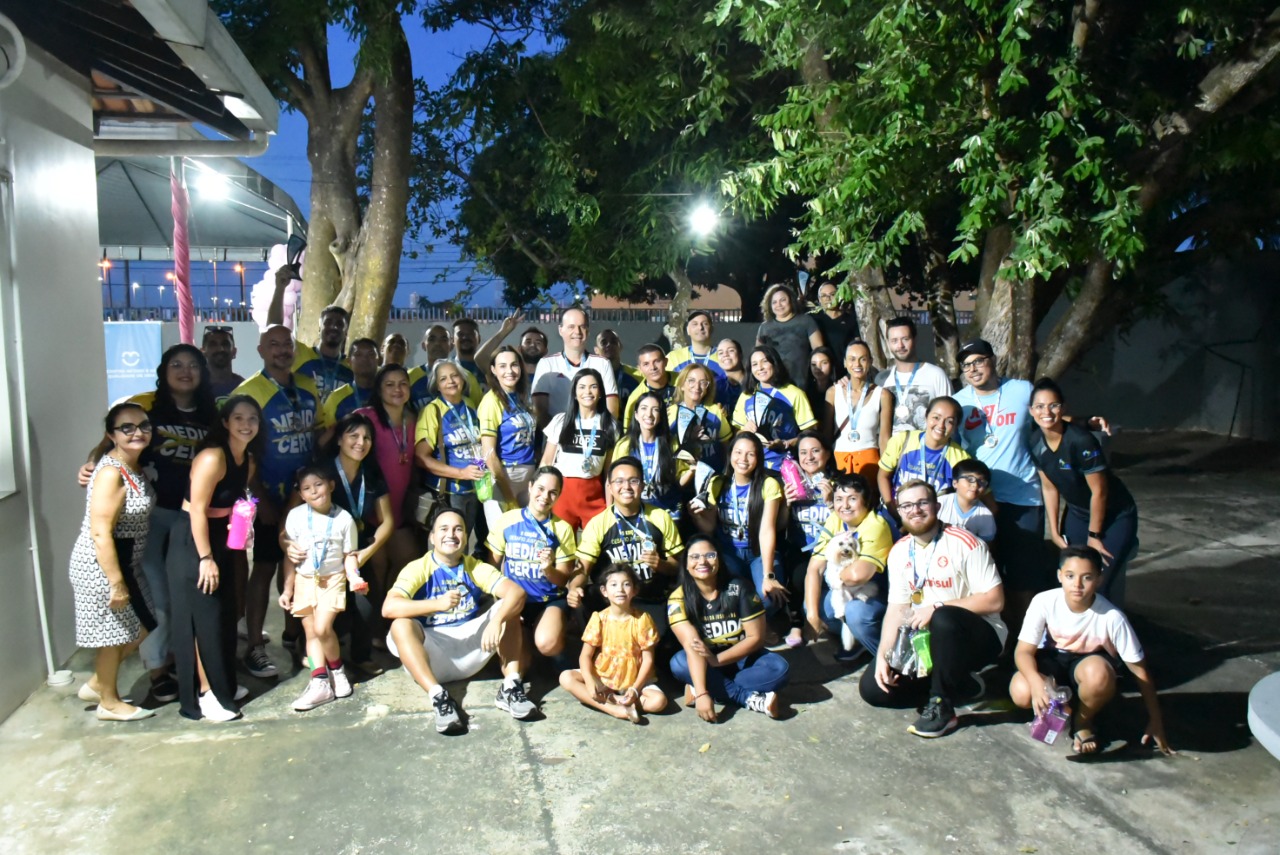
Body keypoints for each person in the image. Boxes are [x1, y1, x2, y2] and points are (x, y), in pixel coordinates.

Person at [114, 344, 220, 703]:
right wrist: (90, 465)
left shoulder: (211, 414)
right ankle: (158, 669)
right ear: (164, 370)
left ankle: (182, 660)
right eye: (177, 364)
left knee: (185, 595)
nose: (185, 371)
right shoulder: (144, 406)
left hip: (192, 518)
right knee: (157, 593)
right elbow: (110, 444)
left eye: (193, 365)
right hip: (151, 517)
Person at [860, 481, 1006, 739]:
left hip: (976, 635)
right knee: (873, 689)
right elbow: (897, 608)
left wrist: (937, 606)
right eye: (906, 505)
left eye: (922, 503)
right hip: (925, 641)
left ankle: (942, 706)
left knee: (943, 618)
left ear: (936, 506)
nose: (915, 510)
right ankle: (958, 683)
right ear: (899, 511)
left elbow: (995, 600)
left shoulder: (966, 543)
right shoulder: (900, 551)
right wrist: (884, 655)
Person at [231, 325, 330, 679]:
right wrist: (259, 496)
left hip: (305, 497)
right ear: (260, 350)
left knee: (301, 567)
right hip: (269, 497)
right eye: (273, 345)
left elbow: (317, 432)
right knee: (266, 567)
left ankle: (294, 634)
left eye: (286, 344)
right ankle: (255, 645)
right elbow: (242, 452)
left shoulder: (305, 386)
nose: (282, 351)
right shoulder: (250, 392)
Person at [382, 508, 535, 735]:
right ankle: (438, 697)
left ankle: (511, 687)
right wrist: (437, 604)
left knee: (510, 608)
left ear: (465, 536)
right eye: (443, 529)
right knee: (400, 625)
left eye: (458, 529)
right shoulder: (418, 568)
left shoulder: (474, 566)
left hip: (470, 646)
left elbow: (516, 593)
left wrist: (498, 620)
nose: (451, 534)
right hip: (432, 654)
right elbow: (389, 607)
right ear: (432, 537)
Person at [1010, 546, 1173, 756]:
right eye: (1070, 576)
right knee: (1021, 691)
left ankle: (1083, 721)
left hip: (1088, 662)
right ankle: (1062, 706)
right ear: (1060, 576)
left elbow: (1140, 671)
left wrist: (1156, 720)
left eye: (1086, 577)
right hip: (1053, 659)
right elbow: (1022, 651)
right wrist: (1035, 683)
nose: (1077, 585)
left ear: (1099, 580)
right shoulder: (1043, 601)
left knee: (1098, 675)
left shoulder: (1113, 617)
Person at [168, 395, 264, 721]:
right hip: (193, 540)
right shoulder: (213, 457)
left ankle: (223, 683)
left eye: (252, 418)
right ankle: (207, 693)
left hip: (220, 538)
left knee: (223, 615)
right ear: (225, 422)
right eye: (238, 417)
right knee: (203, 619)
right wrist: (205, 558)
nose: (246, 424)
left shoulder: (246, 458)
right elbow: (196, 510)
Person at [70, 403, 157, 721]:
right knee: (114, 635)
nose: (138, 432)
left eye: (144, 425)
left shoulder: (132, 465)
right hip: (102, 565)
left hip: (128, 560)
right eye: (127, 428)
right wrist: (115, 582)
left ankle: (97, 683)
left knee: (144, 625)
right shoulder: (110, 473)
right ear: (112, 434)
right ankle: (109, 702)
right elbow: (100, 532)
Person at [953, 338, 1050, 618]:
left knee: (1025, 574)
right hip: (980, 498)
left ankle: (1029, 639)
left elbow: (1047, 418)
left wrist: (1086, 422)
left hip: (1024, 497)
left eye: (979, 361)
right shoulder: (960, 403)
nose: (973, 369)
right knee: (987, 573)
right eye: (966, 365)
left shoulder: (1021, 390)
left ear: (993, 360)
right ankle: (1000, 638)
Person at [295, 413, 394, 673]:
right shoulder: (323, 470)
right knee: (321, 611)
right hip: (322, 552)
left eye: (366, 437)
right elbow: (295, 511)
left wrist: (365, 553)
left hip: (359, 548)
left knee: (366, 606)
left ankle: (360, 656)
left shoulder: (371, 473)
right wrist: (287, 544)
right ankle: (313, 651)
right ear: (339, 439)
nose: (361, 442)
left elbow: (388, 522)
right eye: (353, 436)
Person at [1030, 378, 1138, 607]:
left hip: (1114, 515)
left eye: (1053, 405)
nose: (1046, 412)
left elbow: (1099, 492)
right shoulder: (1035, 441)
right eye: (1039, 406)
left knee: (1097, 581)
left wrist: (1094, 536)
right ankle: (1070, 639)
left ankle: (1102, 639)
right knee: (1070, 580)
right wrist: (1055, 529)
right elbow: (1049, 487)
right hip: (1078, 515)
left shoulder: (1081, 441)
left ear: (1063, 408)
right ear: (1031, 411)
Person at [668, 536, 787, 721]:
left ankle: (711, 687)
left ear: (719, 559)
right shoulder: (677, 598)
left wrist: (717, 661)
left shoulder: (740, 588)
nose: (702, 561)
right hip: (703, 660)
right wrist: (702, 694)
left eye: (709, 555)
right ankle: (745, 697)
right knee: (679, 663)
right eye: (694, 557)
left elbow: (755, 637)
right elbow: (692, 646)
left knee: (779, 668)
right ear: (685, 564)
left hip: (740, 659)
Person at [279, 464, 366, 711]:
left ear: (331, 485)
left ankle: (337, 670)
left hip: (333, 579)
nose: (314, 491)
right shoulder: (295, 516)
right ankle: (320, 681)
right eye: (307, 488)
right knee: (310, 632)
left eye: (318, 484)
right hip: (304, 580)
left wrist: (353, 577)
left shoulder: (344, 519)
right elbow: (291, 557)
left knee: (322, 627)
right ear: (301, 494)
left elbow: (350, 554)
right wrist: (287, 589)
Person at [575, 457, 684, 634]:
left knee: (656, 640)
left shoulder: (660, 517)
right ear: (609, 487)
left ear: (642, 485)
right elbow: (582, 570)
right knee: (583, 599)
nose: (626, 487)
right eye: (619, 481)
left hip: (650, 597)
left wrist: (661, 564)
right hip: (612, 599)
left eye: (633, 481)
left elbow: (679, 567)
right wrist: (574, 588)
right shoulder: (598, 523)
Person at [487, 467, 580, 671]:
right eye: (540, 488)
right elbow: (491, 569)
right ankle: (526, 636)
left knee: (547, 643)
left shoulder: (562, 529)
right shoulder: (507, 520)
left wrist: (548, 569)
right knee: (515, 670)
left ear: (558, 496)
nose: (545, 496)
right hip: (516, 600)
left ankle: (559, 649)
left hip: (548, 600)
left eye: (553, 492)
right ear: (530, 487)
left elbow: (563, 579)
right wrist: (500, 603)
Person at [690, 432, 786, 618]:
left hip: (758, 553)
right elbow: (709, 528)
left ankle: (756, 629)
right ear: (730, 454)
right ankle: (751, 631)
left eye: (750, 454)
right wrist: (695, 516)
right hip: (728, 553)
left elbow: (767, 530)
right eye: (738, 452)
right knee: (726, 598)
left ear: (758, 458)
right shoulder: (717, 483)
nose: (743, 459)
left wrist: (768, 576)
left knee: (769, 596)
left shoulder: (769, 484)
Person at [559, 564, 667, 722]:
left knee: (658, 701)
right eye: (614, 584)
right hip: (604, 678)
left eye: (626, 584)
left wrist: (636, 689)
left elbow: (648, 659)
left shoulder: (642, 619)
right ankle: (614, 709)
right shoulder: (599, 618)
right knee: (566, 677)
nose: (620, 590)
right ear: (604, 591)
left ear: (635, 590)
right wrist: (590, 682)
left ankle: (623, 701)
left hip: (634, 680)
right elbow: (584, 657)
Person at [802, 473, 893, 661]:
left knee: (855, 612)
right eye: (839, 499)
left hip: (883, 595)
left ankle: (888, 657)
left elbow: (857, 576)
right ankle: (858, 640)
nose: (845, 506)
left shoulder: (876, 524)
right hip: (850, 588)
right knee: (812, 604)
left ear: (866, 501)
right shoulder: (836, 519)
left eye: (852, 499)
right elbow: (814, 569)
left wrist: (833, 574)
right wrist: (811, 617)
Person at [354, 364, 420, 605]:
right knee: (376, 570)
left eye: (403, 383)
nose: (397, 389)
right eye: (389, 384)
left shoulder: (413, 419)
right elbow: (335, 440)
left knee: (408, 559)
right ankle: (373, 630)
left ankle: (387, 613)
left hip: (400, 508)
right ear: (379, 389)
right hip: (372, 509)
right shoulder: (365, 416)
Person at [415, 360, 488, 552]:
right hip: (448, 493)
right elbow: (421, 457)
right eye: (443, 378)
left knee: (464, 545)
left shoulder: (471, 405)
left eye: (455, 376)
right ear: (437, 385)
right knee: (449, 547)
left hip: (475, 489)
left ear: (463, 379)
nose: (451, 381)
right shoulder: (433, 410)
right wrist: (461, 473)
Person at [541, 368, 619, 529]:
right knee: (563, 551)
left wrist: (611, 507)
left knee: (594, 551)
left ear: (600, 392)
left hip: (594, 497)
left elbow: (609, 472)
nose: (588, 392)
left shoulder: (610, 426)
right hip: (562, 496)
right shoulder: (560, 421)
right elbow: (546, 462)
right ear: (574, 393)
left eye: (593, 386)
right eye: (582, 387)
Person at [478, 346, 539, 532]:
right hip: (503, 477)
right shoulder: (491, 401)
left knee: (525, 539)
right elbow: (489, 455)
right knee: (502, 542)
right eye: (502, 366)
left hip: (527, 476)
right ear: (493, 370)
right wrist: (509, 496)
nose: (509, 371)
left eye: (514, 365)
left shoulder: (521, 398)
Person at [878, 396, 971, 516]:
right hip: (895, 512)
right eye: (936, 418)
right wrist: (893, 510)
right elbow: (883, 476)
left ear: (956, 426)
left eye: (949, 421)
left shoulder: (961, 458)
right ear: (926, 416)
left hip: (933, 519)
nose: (941, 425)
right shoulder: (902, 440)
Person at [732, 344, 817, 471]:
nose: (760, 368)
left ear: (775, 363)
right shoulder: (746, 395)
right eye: (754, 364)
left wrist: (786, 443)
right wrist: (744, 430)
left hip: (783, 464)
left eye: (764, 361)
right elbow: (736, 434)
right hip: (752, 465)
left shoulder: (794, 393)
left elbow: (810, 433)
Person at [531, 307, 620, 426]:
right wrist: (560, 435)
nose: (577, 332)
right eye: (571, 327)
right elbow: (540, 411)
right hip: (557, 439)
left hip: (594, 438)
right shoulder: (547, 364)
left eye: (582, 326)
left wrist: (598, 433)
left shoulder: (602, 364)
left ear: (587, 330)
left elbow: (612, 408)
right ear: (560, 330)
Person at [828, 340, 894, 495]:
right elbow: (826, 434)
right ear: (844, 363)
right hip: (839, 461)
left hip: (870, 461)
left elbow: (884, 439)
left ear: (870, 362)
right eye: (852, 359)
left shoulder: (882, 394)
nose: (857, 364)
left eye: (863, 359)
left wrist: (886, 473)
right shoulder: (833, 392)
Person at [614, 392, 691, 522]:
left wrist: (693, 470)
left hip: (667, 510)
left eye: (655, 410)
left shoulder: (672, 444)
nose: (649, 414)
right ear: (636, 415)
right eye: (644, 408)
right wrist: (613, 510)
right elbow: (612, 480)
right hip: (636, 510)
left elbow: (679, 481)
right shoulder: (625, 445)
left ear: (661, 416)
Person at [874, 316, 952, 434]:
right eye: (894, 340)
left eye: (905, 339)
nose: (900, 345)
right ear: (888, 343)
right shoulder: (882, 380)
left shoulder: (936, 375)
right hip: (893, 451)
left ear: (914, 339)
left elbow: (950, 417)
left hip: (926, 450)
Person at [755, 282, 824, 389]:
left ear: (791, 300)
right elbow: (758, 356)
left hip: (803, 383)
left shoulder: (806, 321)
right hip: (774, 384)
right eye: (774, 302)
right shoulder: (765, 327)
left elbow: (819, 351)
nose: (779, 305)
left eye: (783, 300)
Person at [668, 363, 732, 476]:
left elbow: (726, 446)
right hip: (679, 478)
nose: (697, 386)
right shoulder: (671, 413)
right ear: (682, 385)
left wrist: (727, 472)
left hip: (711, 476)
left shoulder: (715, 412)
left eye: (703, 382)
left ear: (708, 388)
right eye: (691, 380)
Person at [667, 310, 733, 405]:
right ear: (688, 330)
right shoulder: (673, 357)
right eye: (695, 324)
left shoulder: (723, 357)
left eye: (705, 324)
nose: (700, 327)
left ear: (711, 329)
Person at [292, 305, 354, 404]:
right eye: (328, 322)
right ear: (320, 327)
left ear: (346, 331)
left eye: (340, 324)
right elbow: (274, 329)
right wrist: (279, 290)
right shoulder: (300, 353)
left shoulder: (351, 367)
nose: (334, 327)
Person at [322, 337, 380, 424]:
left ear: (379, 360)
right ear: (349, 362)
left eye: (371, 354)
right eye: (358, 354)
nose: (365, 359)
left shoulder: (388, 394)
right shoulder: (336, 398)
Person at [939, 458, 997, 542]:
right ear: (955, 483)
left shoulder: (986, 516)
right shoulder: (939, 503)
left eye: (982, 481)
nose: (975, 485)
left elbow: (986, 545)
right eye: (970, 479)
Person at [622, 344, 677, 427]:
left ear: (666, 362)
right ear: (640, 369)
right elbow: (628, 431)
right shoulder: (635, 398)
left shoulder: (683, 380)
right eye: (646, 364)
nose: (653, 367)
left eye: (657, 361)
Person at [812, 280, 860, 367]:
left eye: (832, 294)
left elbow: (857, 345)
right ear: (819, 299)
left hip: (847, 368)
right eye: (824, 296)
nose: (828, 298)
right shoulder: (814, 320)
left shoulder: (851, 319)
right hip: (824, 370)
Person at [595, 328, 640, 404]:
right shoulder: (590, 377)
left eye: (614, 342)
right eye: (603, 342)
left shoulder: (638, 376)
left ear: (620, 347)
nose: (609, 345)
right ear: (596, 350)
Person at [202, 325, 244, 399]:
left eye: (225, 344)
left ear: (234, 352)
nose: (220, 349)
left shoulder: (244, 387)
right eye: (213, 345)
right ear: (203, 352)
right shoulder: (196, 387)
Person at [807, 346, 837, 433]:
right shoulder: (806, 391)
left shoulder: (838, 389)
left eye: (824, 363)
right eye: (813, 364)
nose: (818, 368)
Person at [715, 338, 746, 414]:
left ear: (740, 354)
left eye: (731, 350)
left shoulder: (755, 381)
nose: (725, 355)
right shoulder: (715, 385)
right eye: (721, 353)